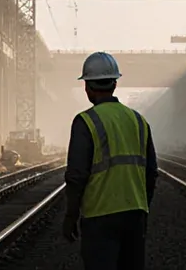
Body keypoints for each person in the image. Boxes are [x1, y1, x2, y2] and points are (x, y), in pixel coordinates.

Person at [62, 51, 158, 270]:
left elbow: (76, 176)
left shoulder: (85, 122)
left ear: (87, 88)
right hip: (135, 214)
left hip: (99, 217)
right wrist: (143, 208)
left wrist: (71, 216)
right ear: (115, 84)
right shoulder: (139, 121)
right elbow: (151, 172)